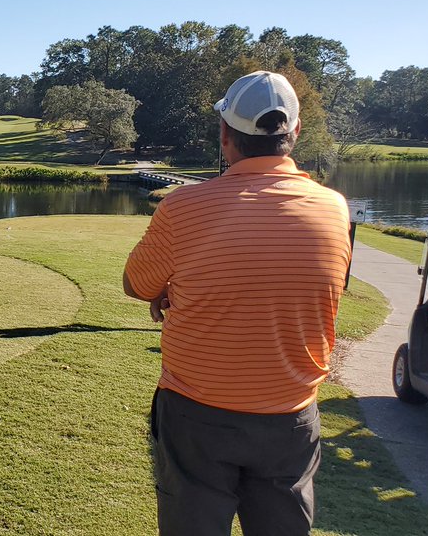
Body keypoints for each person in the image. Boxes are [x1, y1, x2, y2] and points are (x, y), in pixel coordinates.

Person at [123, 71, 352, 535]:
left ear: (225, 135)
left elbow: (136, 284)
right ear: (295, 133)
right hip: (291, 418)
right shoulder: (334, 207)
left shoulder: (183, 207)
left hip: (197, 414)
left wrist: (173, 289)